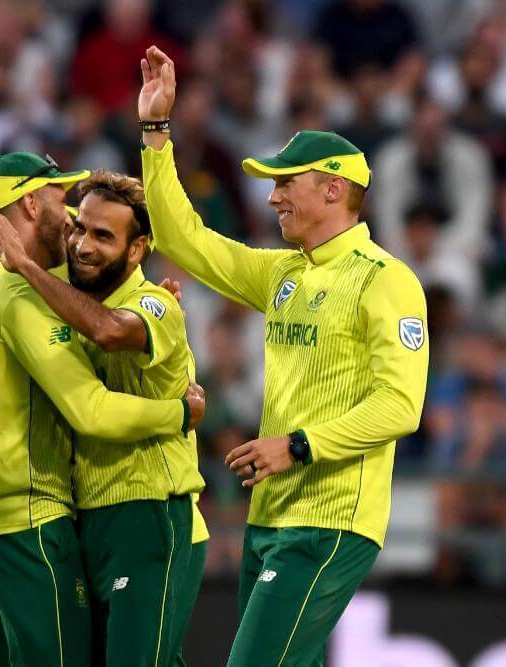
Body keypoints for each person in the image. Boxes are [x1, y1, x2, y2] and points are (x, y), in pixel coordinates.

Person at [137, 46, 429, 666]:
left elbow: (400, 407)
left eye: (284, 183)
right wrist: (157, 132)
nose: (272, 198)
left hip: (330, 520)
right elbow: (182, 240)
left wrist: (296, 446)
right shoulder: (283, 274)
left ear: (333, 188)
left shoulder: (387, 281)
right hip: (269, 515)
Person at [0, 151, 205, 666]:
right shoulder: (39, 297)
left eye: (102, 235)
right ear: (31, 205)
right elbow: (88, 406)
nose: (78, 239)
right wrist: (178, 413)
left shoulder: (152, 303)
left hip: (149, 508)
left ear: (137, 249)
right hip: (50, 518)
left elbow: (109, 331)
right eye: (75, 221)